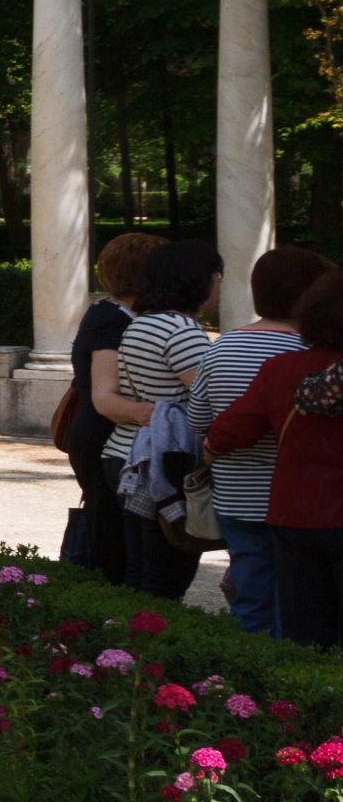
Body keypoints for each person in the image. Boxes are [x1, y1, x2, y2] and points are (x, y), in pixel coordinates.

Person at [188, 246, 333, 633]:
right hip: (293, 498)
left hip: (235, 493)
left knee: (252, 597)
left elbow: (199, 418)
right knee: (304, 605)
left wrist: (213, 445)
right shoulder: (308, 353)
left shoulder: (222, 347)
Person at [104, 240, 223, 601]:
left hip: (129, 456)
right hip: (165, 464)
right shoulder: (181, 331)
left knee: (142, 575)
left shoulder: (144, 323)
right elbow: (209, 398)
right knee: (166, 578)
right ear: (201, 281)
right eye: (218, 277)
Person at [64, 232, 165, 584]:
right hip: (100, 436)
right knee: (110, 538)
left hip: (100, 435)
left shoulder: (114, 313)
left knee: (114, 533)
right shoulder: (110, 319)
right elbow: (104, 395)